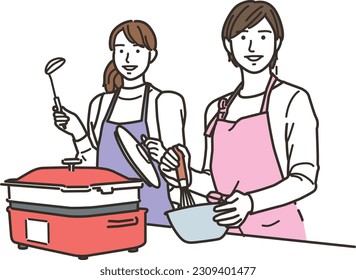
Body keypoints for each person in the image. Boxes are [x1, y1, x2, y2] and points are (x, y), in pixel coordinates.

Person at [160, 0, 319, 240]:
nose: (253, 47)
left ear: (277, 43)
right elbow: (215, 182)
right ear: (229, 45)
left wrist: (251, 202)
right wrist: (184, 176)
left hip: (278, 233)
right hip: (222, 231)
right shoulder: (217, 108)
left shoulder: (292, 99)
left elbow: (305, 178)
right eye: (243, 37)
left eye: (263, 37)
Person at [53, 20, 186, 227]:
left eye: (137, 50)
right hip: (104, 214)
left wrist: (164, 157)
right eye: (120, 49)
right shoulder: (100, 104)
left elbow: (180, 173)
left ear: (152, 55)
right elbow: (94, 167)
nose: (128, 58)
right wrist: (77, 133)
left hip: (154, 217)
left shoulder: (165, 102)